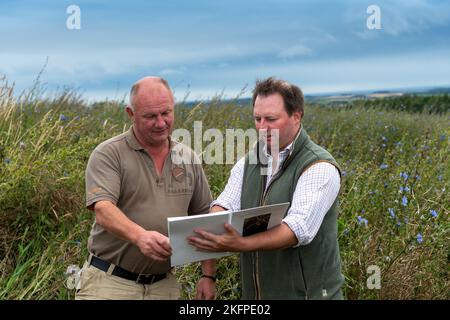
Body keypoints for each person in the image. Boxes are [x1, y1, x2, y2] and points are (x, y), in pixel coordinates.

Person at [189, 77, 344, 300]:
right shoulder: (249, 162)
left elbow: (297, 230)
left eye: (271, 119)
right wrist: (212, 230)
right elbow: (225, 203)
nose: (262, 128)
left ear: (296, 116)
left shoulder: (319, 167)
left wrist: (241, 244)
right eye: (258, 119)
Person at [76, 76, 215, 300]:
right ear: (131, 114)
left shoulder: (188, 158)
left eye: (166, 113)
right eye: (150, 116)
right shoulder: (109, 154)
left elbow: (206, 219)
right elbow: (102, 209)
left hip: (164, 287)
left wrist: (208, 276)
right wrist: (140, 237)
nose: (160, 123)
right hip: (110, 284)